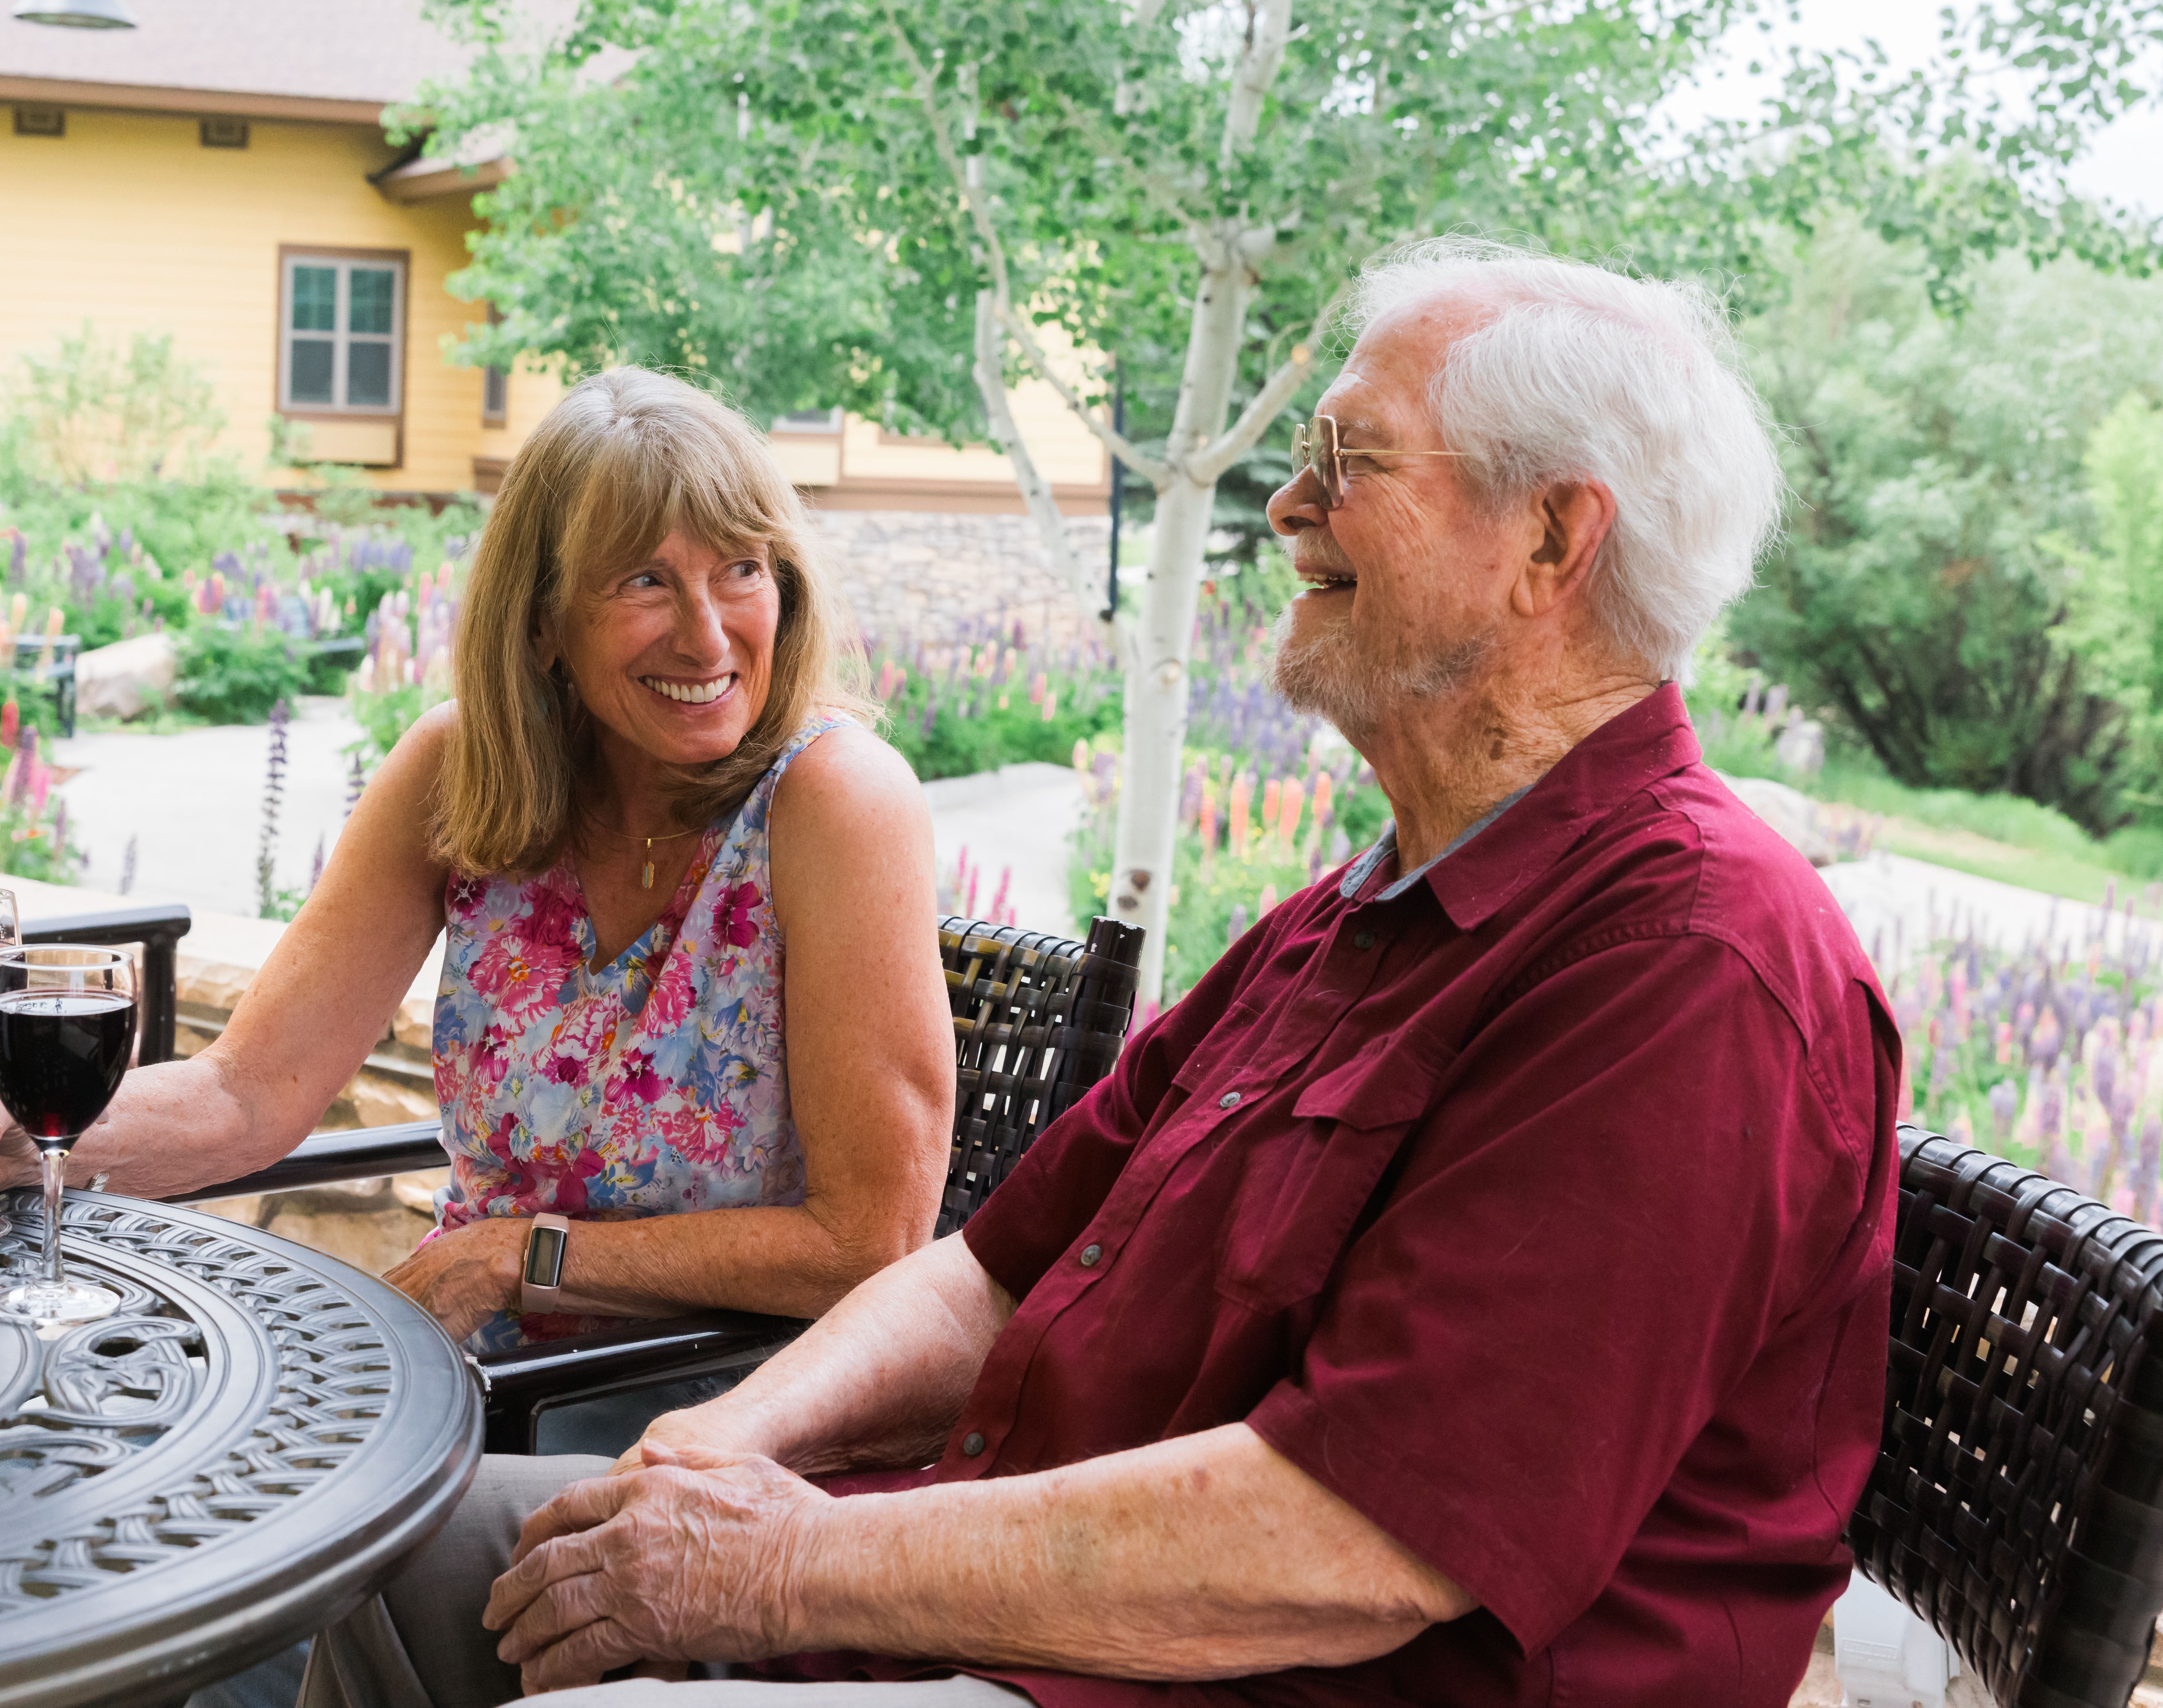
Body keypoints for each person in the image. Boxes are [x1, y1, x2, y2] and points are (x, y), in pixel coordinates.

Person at [318, 242, 1901, 1708]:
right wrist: (723, 1440)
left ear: (1549, 537)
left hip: (1206, 1677)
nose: (1287, 507)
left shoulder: (1686, 969)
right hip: (1008, 1584)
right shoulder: (1348, 924)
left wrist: (776, 1560)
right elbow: (989, 1267)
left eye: (1348, 461)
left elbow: (1345, 1541)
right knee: (378, 1561)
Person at [0, 367, 956, 1347]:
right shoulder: (460, 768)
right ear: (542, 624)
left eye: (742, 571)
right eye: (644, 583)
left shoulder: (833, 802)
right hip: (464, 1374)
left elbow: (871, 1242)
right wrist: (4, 1133)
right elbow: (248, 1094)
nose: (709, 637)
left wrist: (524, 1256)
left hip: (725, 1421)